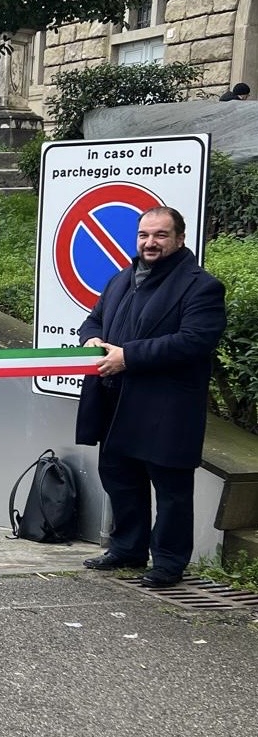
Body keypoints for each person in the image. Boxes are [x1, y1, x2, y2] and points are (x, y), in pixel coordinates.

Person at [75, 207, 225, 588]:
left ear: (179, 239)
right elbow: (93, 320)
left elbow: (195, 340)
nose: (150, 242)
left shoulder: (200, 285)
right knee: (120, 479)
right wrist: (91, 339)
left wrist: (129, 356)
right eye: (144, 234)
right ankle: (127, 549)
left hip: (165, 406)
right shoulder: (122, 278)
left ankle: (168, 564)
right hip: (115, 400)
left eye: (160, 235)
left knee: (171, 489)